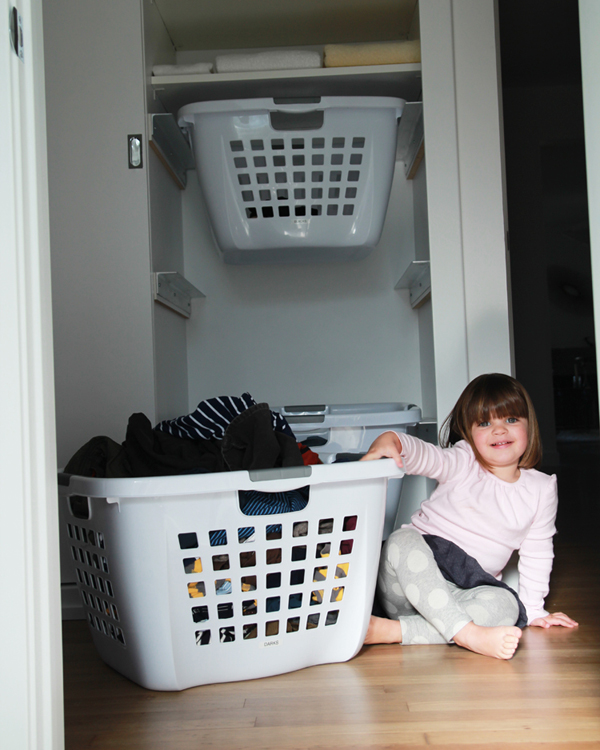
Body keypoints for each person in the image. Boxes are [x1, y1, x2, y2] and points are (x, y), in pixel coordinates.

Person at [360, 373, 578, 660]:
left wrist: (534, 610)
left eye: (511, 420)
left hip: (464, 593)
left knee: (508, 606)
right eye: (485, 423)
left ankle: (392, 632)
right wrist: (393, 441)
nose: (499, 430)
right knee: (401, 540)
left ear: (529, 426)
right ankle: (468, 635)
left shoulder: (541, 488)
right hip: (408, 585)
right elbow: (428, 456)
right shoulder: (463, 461)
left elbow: (538, 552)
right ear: (469, 432)